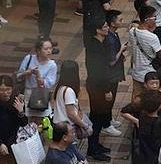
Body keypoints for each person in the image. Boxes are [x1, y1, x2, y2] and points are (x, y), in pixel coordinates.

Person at [85, 20, 119, 159]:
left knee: (98, 116)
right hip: (97, 87)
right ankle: (92, 149)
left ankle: (95, 144)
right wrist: (106, 90)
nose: (107, 28)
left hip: (97, 85)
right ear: (98, 30)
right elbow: (99, 71)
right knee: (97, 117)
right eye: (104, 26)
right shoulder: (96, 48)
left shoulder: (98, 44)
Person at [51, 61, 95, 158]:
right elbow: (71, 114)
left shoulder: (60, 88)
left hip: (58, 126)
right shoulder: (69, 91)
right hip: (67, 128)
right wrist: (85, 125)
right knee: (71, 152)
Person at [0, 75, 28, 163]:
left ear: (12, 89)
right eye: (2, 90)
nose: (5, 93)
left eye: (8, 89)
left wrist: (20, 111)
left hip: (14, 144)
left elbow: (24, 124)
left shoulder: (17, 103)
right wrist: (0, 144)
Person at [15, 38, 58, 119]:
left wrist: (38, 76)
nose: (49, 51)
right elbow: (18, 76)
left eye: (50, 48)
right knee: (28, 119)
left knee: (42, 119)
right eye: (46, 49)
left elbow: (48, 84)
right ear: (38, 50)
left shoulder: (52, 65)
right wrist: (27, 72)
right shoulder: (29, 58)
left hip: (41, 95)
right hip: (28, 94)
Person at [128, 6, 161, 99]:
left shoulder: (132, 32)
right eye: (154, 18)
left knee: (136, 97)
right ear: (147, 20)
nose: (155, 20)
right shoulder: (152, 37)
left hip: (136, 72)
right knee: (149, 99)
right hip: (149, 74)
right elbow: (160, 54)